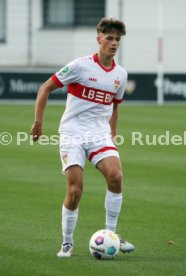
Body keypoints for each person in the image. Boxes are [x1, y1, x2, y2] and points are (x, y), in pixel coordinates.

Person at [31, 17, 135, 258]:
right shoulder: (80, 66)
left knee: (116, 176)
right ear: (98, 39)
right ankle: (67, 242)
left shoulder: (120, 74)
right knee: (76, 190)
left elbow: (114, 107)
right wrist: (38, 122)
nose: (114, 43)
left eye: (117, 39)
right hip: (73, 133)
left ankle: (112, 236)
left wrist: (112, 135)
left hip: (99, 134)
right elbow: (45, 87)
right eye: (109, 38)